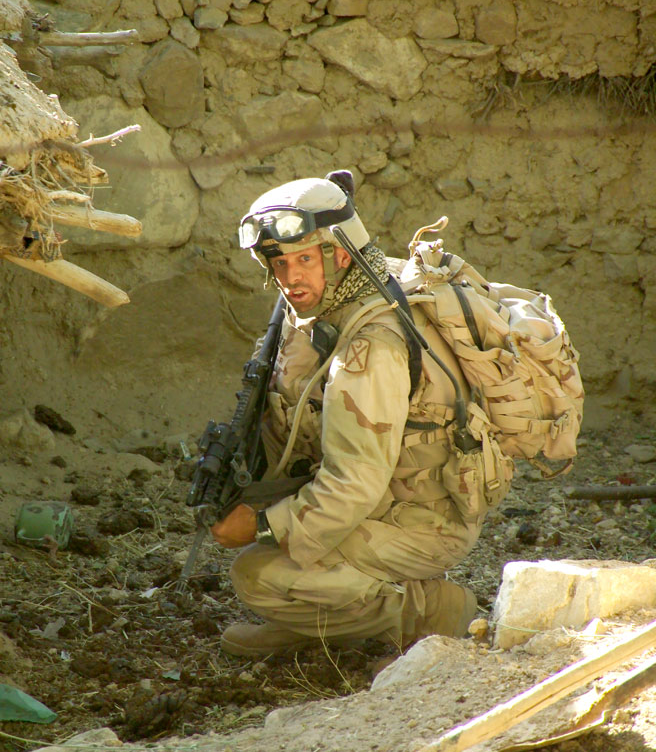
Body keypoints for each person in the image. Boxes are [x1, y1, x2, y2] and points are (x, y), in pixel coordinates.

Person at [210, 170, 500, 658]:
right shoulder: (339, 300)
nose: (289, 277)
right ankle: (317, 625)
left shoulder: (370, 346)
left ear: (341, 255)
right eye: (278, 262)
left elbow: (353, 484)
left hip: (423, 519)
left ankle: (430, 612)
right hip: (389, 496)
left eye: (305, 259)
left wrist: (263, 525)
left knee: (257, 574)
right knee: (278, 559)